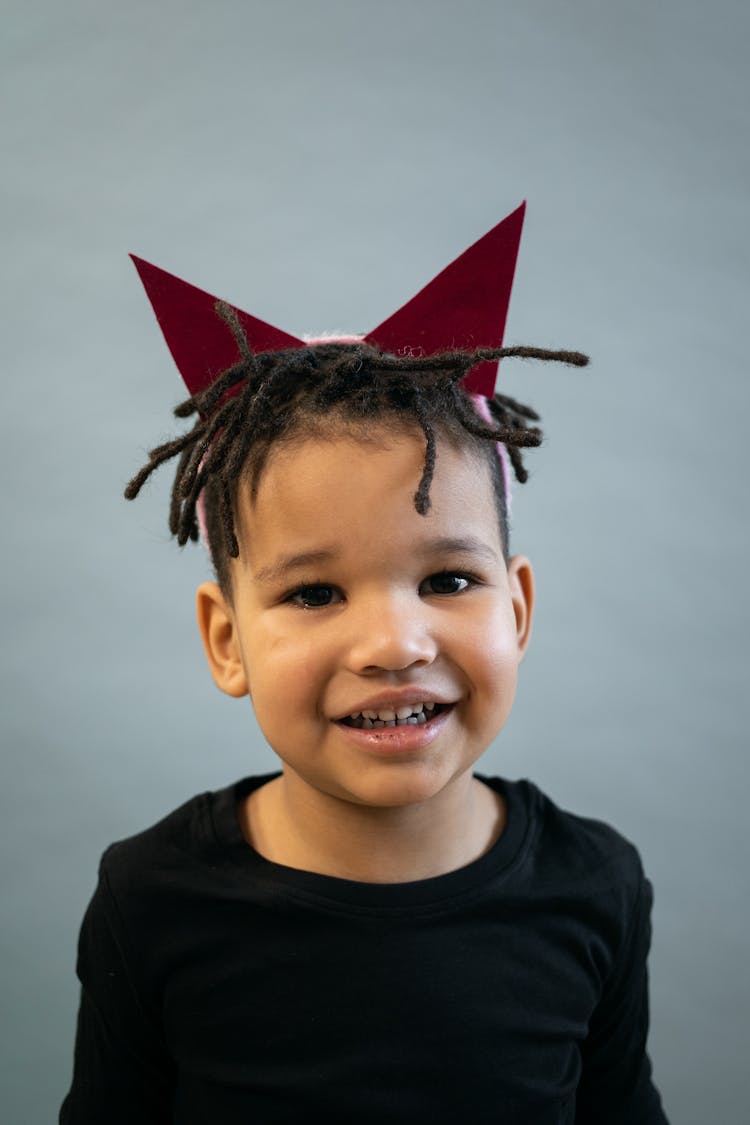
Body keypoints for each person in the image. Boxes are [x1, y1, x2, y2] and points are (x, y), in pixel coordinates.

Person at [60, 204, 670, 1123]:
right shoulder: (151, 900)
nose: (394, 645)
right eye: (313, 593)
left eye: (450, 578)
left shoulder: (596, 886)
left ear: (517, 608)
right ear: (227, 639)